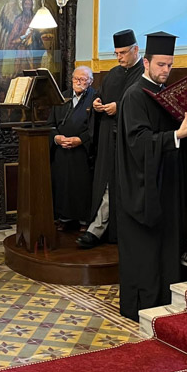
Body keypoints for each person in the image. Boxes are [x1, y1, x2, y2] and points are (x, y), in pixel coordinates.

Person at [116, 32, 187, 320]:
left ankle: (169, 305)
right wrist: (177, 136)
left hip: (169, 183)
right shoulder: (135, 96)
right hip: (145, 189)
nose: (166, 70)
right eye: (161, 65)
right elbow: (138, 142)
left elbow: (177, 134)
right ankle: (144, 307)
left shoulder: (168, 95)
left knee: (170, 246)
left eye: (170, 65)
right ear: (146, 62)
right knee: (147, 252)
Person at [76, 29, 144, 249]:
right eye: (116, 53)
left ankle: (102, 229)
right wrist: (96, 103)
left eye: (123, 53)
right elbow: (100, 95)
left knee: (119, 185)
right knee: (104, 181)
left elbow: (146, 103)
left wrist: (120, 107)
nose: (119, 57)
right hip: (107, 136)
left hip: (129, 139)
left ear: (136, 49)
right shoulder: (113, 73)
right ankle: (99, 227)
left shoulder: (144, 73)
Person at [47, 66, 97, 232]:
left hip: (82, 152)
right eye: (76, 78)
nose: (78, 82)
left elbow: (98, 127)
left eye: (83, 79)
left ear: (90, 81)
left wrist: (80, 139)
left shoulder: (96, 98)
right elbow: (51, 124)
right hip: (61, 150)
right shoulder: (62, 97)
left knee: (81, 186)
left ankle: (84, 220)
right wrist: (56, 138)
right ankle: (63, 218)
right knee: (62, 184)